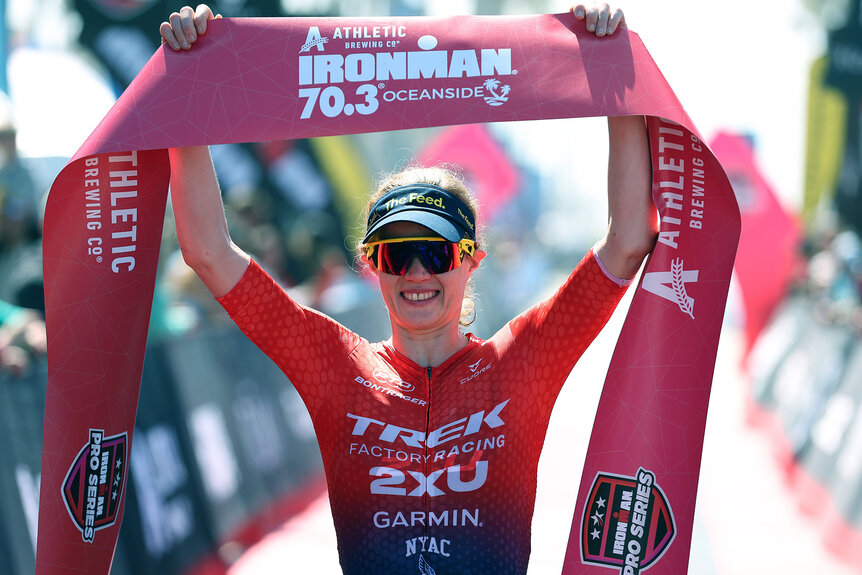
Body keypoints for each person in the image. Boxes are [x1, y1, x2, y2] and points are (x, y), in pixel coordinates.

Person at [160, 3, 656, 574]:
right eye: (398, 254)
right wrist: (187, 88)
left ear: (472, 261)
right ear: (374, 265)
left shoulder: (523, 361)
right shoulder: (333, 368)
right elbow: (206, 253)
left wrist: (616, 74)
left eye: (437, 252)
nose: (417, 273)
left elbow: (626, 242)